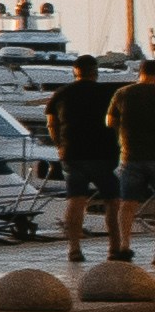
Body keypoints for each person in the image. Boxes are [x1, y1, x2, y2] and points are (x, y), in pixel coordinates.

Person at [50, 58, 124, 269]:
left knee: (76, 201)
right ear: (95, 72)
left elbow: (51, 122)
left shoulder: (62, 93)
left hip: (73, 154)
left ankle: (74, 248)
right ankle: (115, 247)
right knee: (113, 200)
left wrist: (59, 144)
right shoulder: (107, 93)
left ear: (75, 71)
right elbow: (116, 121)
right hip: (104, 154)